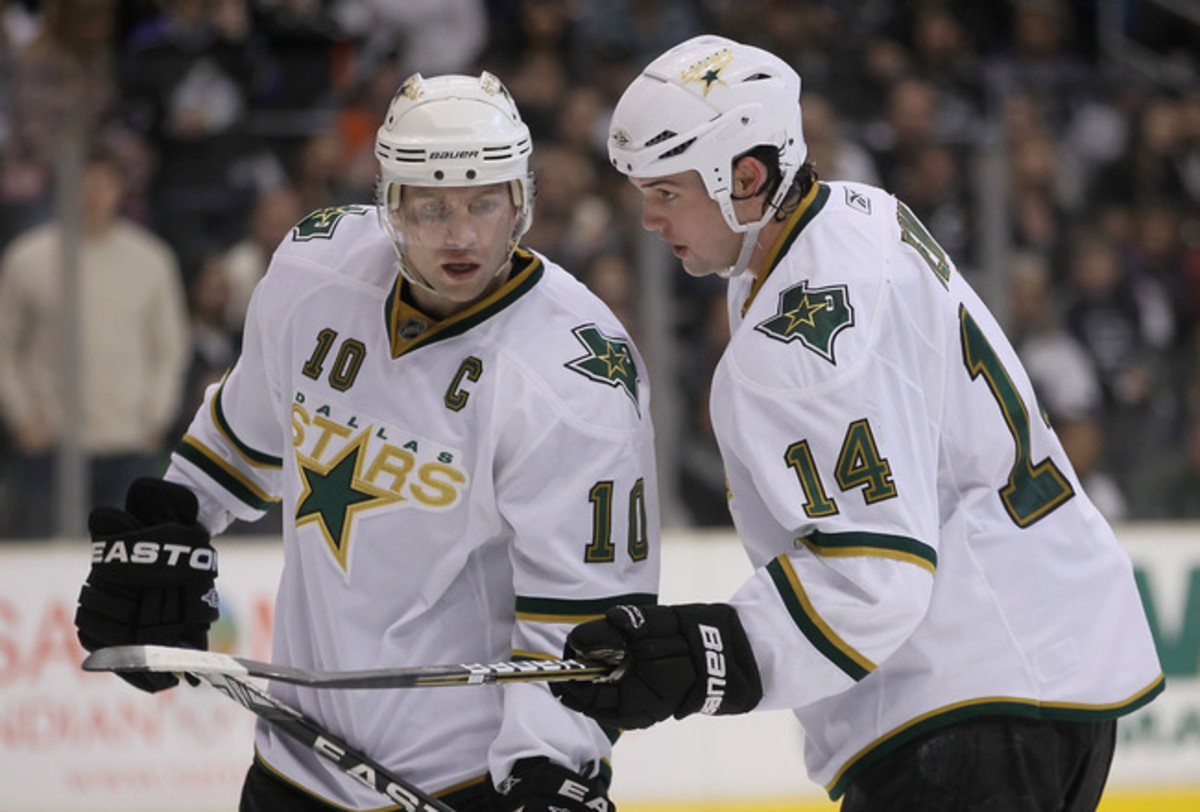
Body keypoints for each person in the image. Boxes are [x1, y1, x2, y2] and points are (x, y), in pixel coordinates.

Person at [553, 35, 1164, 811]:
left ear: (746, 178)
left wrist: (705, 654)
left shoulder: (796, 342)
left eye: (666, 192)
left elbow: (876, 574)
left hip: (966, 702)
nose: (645, 217)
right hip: (1042, 666)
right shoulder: (856, 213)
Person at [74, 71, 660, 811]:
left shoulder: (577, 376)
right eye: (432, 205)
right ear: (390, 202)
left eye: (486, 201)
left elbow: (585, 623)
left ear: (522, 198)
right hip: (292, 767)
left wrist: (551, 766)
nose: (463, 234)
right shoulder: (314, 270)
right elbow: (238, 441)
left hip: (464, 780)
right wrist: (173, 527)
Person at [0, 146, 189, 537]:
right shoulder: (27, 258)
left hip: (126, 446)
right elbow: (5, 347)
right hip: (48, 447)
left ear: (121, 190)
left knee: (124, 571)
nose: (93, 195)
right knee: (39, 566)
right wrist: (23, 417)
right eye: (83, 184)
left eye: (103, 185)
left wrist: (154, 418)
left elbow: (169, 347)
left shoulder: (151, 260)